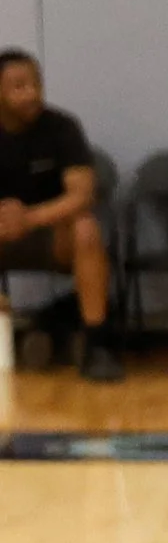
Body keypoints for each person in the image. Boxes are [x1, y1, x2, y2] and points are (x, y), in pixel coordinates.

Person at [0, 50, 118, 381]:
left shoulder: (62, 127)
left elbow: (82, 195)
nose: (32, 93)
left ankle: (98, 345)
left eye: (36, 84)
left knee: (86, 228)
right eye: (19, 86)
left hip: (51, 234)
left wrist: (29, 218)